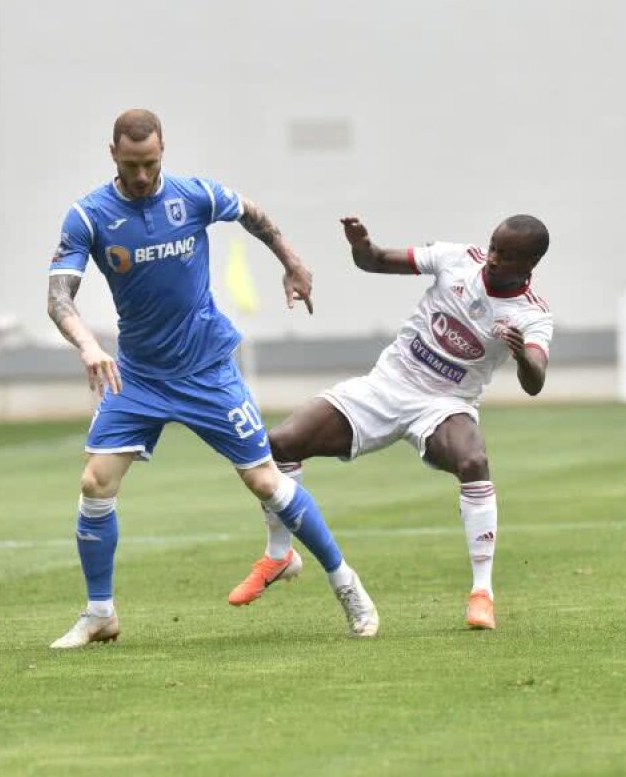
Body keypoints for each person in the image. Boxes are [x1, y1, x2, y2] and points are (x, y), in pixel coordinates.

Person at [46, 109, 379, 649]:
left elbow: (250, 212)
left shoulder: (192, 195)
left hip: (206, 369)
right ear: (112, 155)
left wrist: (291, 261)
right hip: (139, 376)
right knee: (94, 484)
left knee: (266, 482)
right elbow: (59, 297)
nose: (141, 176)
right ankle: (100, 613)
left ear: (163, 152)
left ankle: (347, 584)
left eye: (150, 163)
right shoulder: (88, 217)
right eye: (130, 165)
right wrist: (88, 346)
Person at [228, 215, 553, 631]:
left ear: (531, 263)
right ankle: (280, 555)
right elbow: (375, 261)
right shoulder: (457, 259)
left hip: (444, 403)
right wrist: (361, 245)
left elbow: (535, 381)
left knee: (473, 462)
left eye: (506, 256)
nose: (491, 258)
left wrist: (523, 356)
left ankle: (482, 594)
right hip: (386, 385)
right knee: (281, 442)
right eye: (493, 246)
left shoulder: (532, 314)